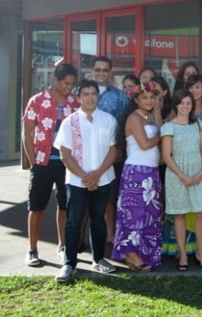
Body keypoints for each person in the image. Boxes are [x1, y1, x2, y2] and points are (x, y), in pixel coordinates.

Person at [55, 80, 118, 282]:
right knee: (73, 222)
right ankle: (69, 263)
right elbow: (65, 154)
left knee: (98, 220)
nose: (91, 98)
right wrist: (85, 177)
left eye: (94, 93)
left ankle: (99, 259)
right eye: (86, 94)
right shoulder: (70, 122)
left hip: (103, 179)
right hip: (76, 181)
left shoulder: (109, 120)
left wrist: (97, 174)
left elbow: (113, 150)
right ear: (78, 97)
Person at [22, 63, 79, 267]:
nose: (69, 88)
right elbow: (27, 133)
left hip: (67, 163)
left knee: (65, 205)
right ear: (55, 80)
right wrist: (33, 162)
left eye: (72, 84)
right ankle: (32, 249)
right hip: (43, 162)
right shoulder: (37, 100)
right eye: (66, 83)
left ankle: (62, 247)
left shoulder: (75, 102)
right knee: (37, 206)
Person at [112, 81, 163, 272]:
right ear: (135, 99)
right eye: (144, 98)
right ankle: (131, 254)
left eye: (151, 97)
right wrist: (163, 135)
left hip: (151, 172)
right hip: (136, 172)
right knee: (134, 214)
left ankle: (145, 252)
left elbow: (160, 127)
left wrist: (157, 109)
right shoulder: (134, 117)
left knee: (150, 214)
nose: (149, 101)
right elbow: (145, 144)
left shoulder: (149, 115)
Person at [161, 89, 202, 270]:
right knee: (179, 214)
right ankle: (182, 253)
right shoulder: (168, 126)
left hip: (199, 173)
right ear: (176, 104)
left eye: (188, 103)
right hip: (177, 175)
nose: (185, 106)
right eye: (181, 103)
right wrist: (183, 176)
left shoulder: (198, 123)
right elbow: (166, 156)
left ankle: (200, 252)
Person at [91, 56, 129, 246]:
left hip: (111, 154)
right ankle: (79, 238)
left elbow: (124, 124)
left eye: (105, 70)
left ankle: (111, 233)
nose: (101, 73)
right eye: (98, 69)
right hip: (87, 153)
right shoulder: (80, 92)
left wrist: (120, 149)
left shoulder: (120, 96)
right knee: (82, 196)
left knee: (110, 197)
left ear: (110, 72)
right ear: (92, 71)